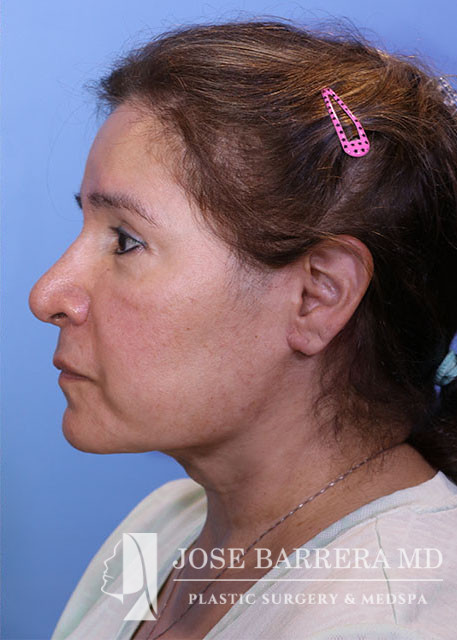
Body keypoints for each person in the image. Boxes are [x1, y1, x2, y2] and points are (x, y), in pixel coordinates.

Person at [29, 20, 457, 640]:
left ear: (318, 296)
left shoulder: (385, 622)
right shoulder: (158, 530)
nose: (47, 295)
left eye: (125, 241)